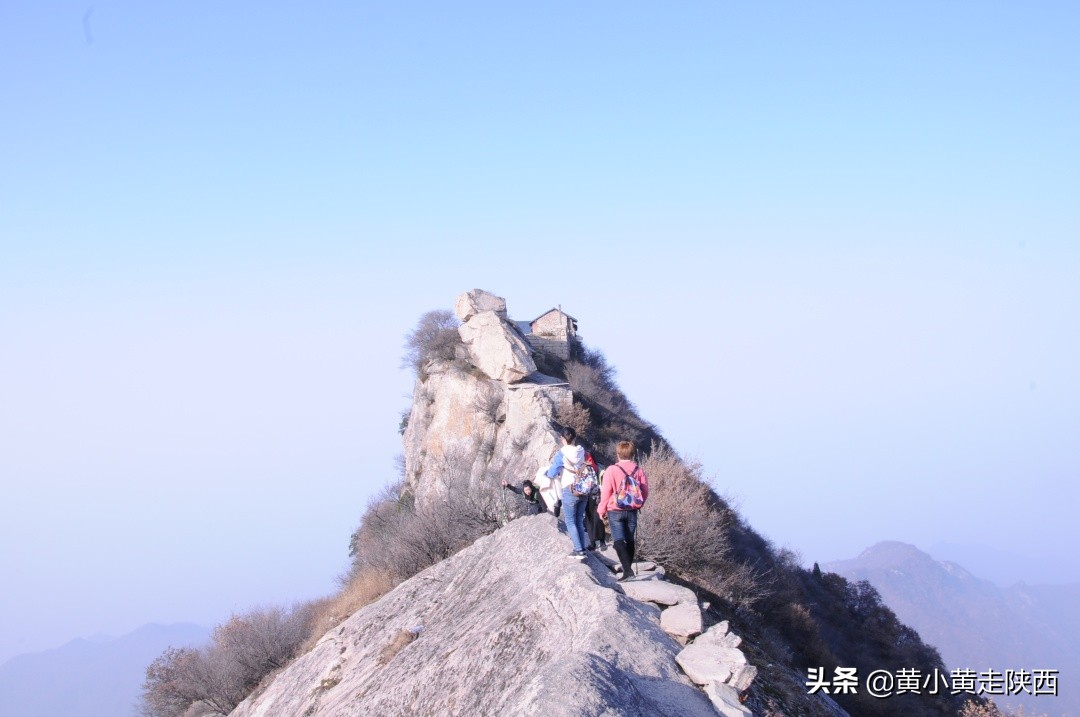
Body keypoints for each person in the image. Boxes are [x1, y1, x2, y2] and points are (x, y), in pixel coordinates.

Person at [597, 440, 649, 581]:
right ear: (632, 454)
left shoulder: (611, 470)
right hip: (632, 510)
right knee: (629, 540)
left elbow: (606, 492)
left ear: (618, 454)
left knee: (618, 540)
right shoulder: (639, 470)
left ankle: (628, 571)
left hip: (615, 509)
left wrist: (601, 510)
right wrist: (639, 503)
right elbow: (645, 491)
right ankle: (628, 570)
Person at [545, 427, 590, 559]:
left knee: (570, 521)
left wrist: (546, 473)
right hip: (583, 489)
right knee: (579, 520)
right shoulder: (581, 451)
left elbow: (552, 472)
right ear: (575, 438)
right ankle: (582, 548)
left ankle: (578, 550)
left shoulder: (562, 453)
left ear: (562, 439)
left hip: (570, 488)